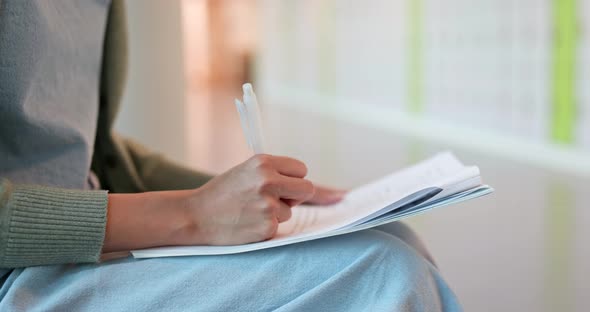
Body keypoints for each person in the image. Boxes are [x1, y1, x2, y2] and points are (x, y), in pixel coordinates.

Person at [0, 1, 462, 311]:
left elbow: (94, 152)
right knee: (383, 272)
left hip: (88, 247)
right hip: (18, 268)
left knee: (392, 233)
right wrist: (193, 213)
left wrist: (237, 193)